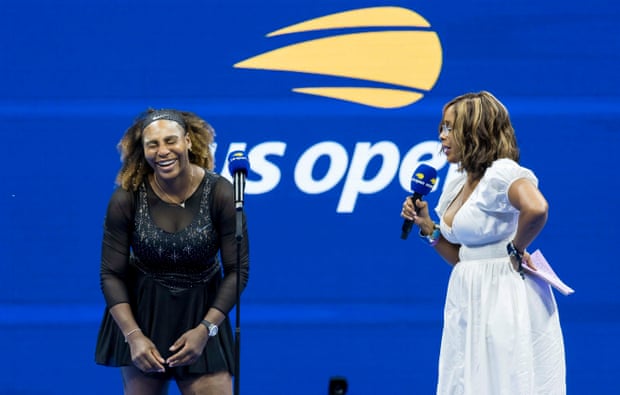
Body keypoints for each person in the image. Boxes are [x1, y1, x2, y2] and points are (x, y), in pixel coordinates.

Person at [401, 91, 566, 394]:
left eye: (450, 127)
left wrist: (516, 248)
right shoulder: (456, 182)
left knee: (502, 383)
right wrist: (428, 228)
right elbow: (465, 258)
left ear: (475, 131)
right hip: (468, 295)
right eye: (442, 127)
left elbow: (537, 208)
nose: (442, 135)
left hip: (504, 296)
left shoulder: (502, 173)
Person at [95, 108, 250, 395]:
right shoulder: (126, 197)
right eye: (152, 144)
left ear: (188, 141)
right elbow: (111, 274)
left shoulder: (221, 193)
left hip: (204, 312)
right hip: (142, 314)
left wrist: (206, 329)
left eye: (171, 141)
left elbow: (238, 271)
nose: (163, 151)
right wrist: (133, 336)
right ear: (143, 150)